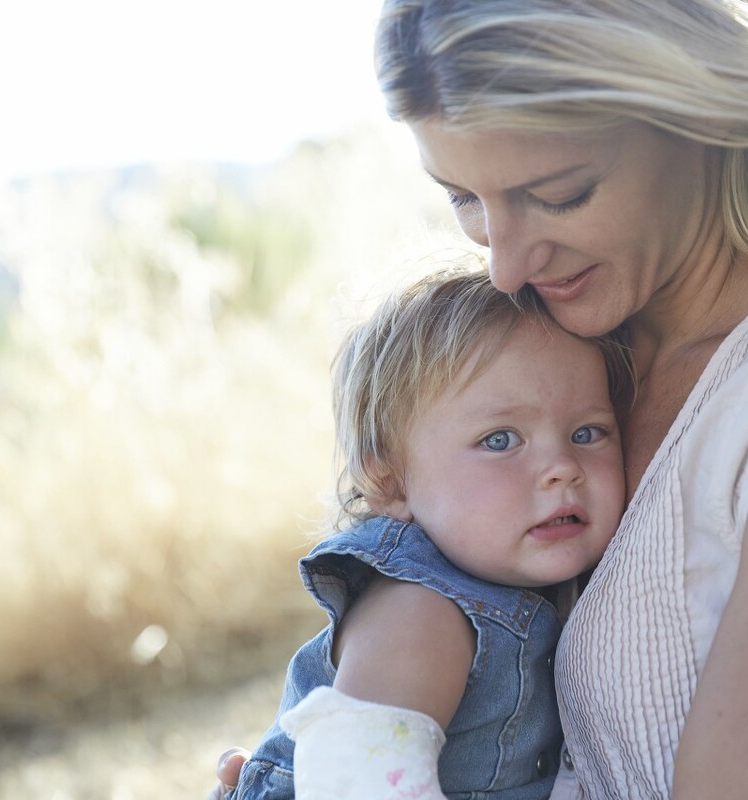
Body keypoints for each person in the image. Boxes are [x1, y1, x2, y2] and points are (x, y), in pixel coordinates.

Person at [218, 0, 748, 797]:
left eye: (558, 193)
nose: (504, 262)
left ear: (690, 116)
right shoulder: (562, 359)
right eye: (463, 196)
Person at [229, 266, 632, 798]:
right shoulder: (418, 610)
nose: (562, 465)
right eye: (500, 440)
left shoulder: (525, 587)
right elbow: (357, 784)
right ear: (391, 482)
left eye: (587, 432)